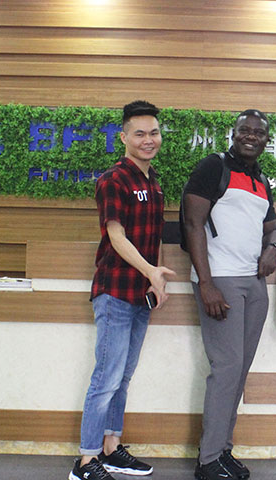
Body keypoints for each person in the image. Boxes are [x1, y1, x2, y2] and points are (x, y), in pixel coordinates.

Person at [69, 100, 176, 480]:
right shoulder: (113, 180)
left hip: (140, 295)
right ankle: (86, 461)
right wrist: (151, 272)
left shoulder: (154, 182)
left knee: (123, 377)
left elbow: (154, 238)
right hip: (114, 291)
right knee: (106, 378)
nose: (149, 140)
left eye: (154, 133)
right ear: (124, 137)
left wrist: (156, 280)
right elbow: (116, 237)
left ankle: (112, 448)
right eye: (140, 133)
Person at [183, 109, 276, 480]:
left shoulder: (261, 180)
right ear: (234, 132)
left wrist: (272, 249)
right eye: (245, 130)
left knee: (238, 372)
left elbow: (273, 229)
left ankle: (222, 450)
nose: (251, 136)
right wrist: (205, 282)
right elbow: (192, 223)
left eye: (259, 132)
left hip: (253, 285)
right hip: (220, 280)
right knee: (226, 369)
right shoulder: (214, 166)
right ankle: (208, 460)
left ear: (266, 140)